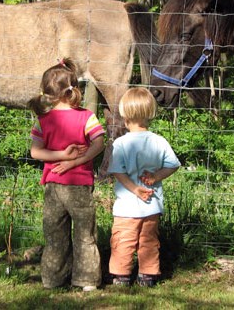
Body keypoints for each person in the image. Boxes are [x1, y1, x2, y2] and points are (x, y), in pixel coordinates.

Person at [28, 58, 105, 292]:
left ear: (48, 93)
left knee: (54, 236)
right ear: (73, 90)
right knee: (85, 234)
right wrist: (78, 160)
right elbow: (99, 143)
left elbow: (35, 152)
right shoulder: (86, 117)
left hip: (53, 186)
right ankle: (87, 280)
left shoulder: (43, 121)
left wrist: (62, 156)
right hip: (80, 185)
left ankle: (52, 278)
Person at [107, 87, 181, 287]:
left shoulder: (121, 143)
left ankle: (121, 275)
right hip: (152, 205)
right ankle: (147, 275)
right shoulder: (159, 141)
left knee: (123, 240)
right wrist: (156, 176)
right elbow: (173, 164)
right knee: (149, 240)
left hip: (127, 207)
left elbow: (117, 171)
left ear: (125, 116)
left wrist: (134, 188)